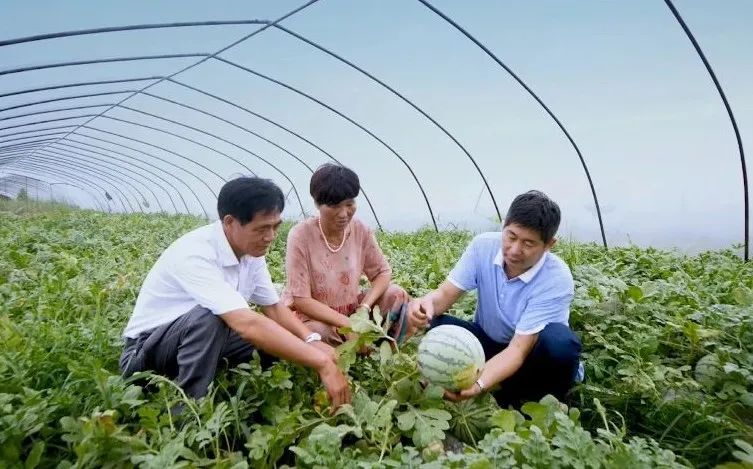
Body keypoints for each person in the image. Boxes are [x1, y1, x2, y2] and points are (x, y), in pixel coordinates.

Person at [119, 177, 350, 411]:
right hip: (146, 354)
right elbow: (246, 323)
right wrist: (322, 363)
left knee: (278, 335)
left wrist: (310, 340)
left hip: (199, 342)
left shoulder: (251, 252)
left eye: (275, 226)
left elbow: (273, 307)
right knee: (211, 318)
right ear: (229, 222)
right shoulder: (195, 254)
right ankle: (187, 413)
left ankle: (262, 396)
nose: (270, 236)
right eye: (261, 228)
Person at [408, 190, 581, 407]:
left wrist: (478, 384)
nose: (515, 250)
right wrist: (424, 306)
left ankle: (540, 401)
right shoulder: (483, 247)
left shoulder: (556, 277)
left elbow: (518, 349)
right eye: (511, 236)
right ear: (503, 225)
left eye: (528, 244)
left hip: (531, 358)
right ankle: (500, 387)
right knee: (433, 322)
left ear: (549, 245)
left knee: (560, 343)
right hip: (488, 346)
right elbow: (443, 296)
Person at [282, 163, 409, 346]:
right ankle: (356, 346)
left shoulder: (360, 230)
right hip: (315, 317)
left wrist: (364, 308)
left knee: (395, 294)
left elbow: (382, 272)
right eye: (334, 206)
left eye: (349, 204)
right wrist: (348, 325)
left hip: (352, 311)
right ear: (318, 203)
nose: (344, 214)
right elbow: (301, 300)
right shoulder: (301, 235)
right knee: (317, 332)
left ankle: (379, 347)